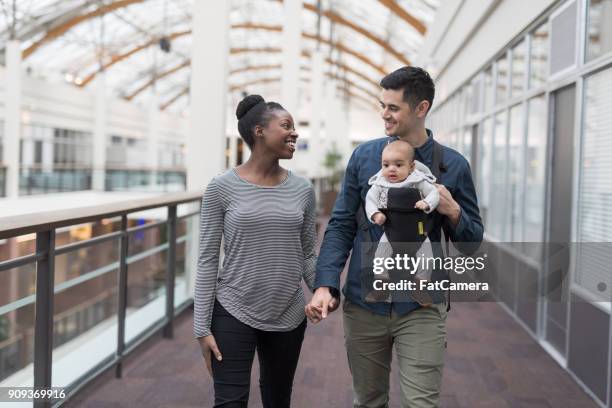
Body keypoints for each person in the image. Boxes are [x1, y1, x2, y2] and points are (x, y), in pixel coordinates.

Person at [307, 66, 483, 407]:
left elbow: (472, 243)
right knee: (368, 400)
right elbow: (342, 224)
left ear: (421, 108)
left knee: (421, 403)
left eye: (393, 107)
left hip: (422, 306)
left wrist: (453, 211)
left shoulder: (454, 165)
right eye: (382, 105)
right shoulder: (364, 157)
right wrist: (325, 283)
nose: (383, 115)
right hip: (364, 304)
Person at [194, 94, 323, 408]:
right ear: (259, 131)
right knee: (229, 403)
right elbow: (208, 258)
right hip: (233, 310)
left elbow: (307, 253)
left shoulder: (303, 190)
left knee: (277, 400)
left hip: (289, 314)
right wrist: (201, 327)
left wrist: (323, 290)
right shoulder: (221, 187)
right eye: (286, 126)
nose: (294, 133)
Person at [363, 139, 439, 303]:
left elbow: (434, 194)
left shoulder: (417, 181)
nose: (391, 169)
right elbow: (370, 200)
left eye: (398, 165)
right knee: (380, 257)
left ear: (411, 167)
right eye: (386, 165)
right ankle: (381, 289)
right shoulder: (380, 184)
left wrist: (427, 203)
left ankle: (420, 290)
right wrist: (375, 214)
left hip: (417, 231)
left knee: (427, 258)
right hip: (391, 231)